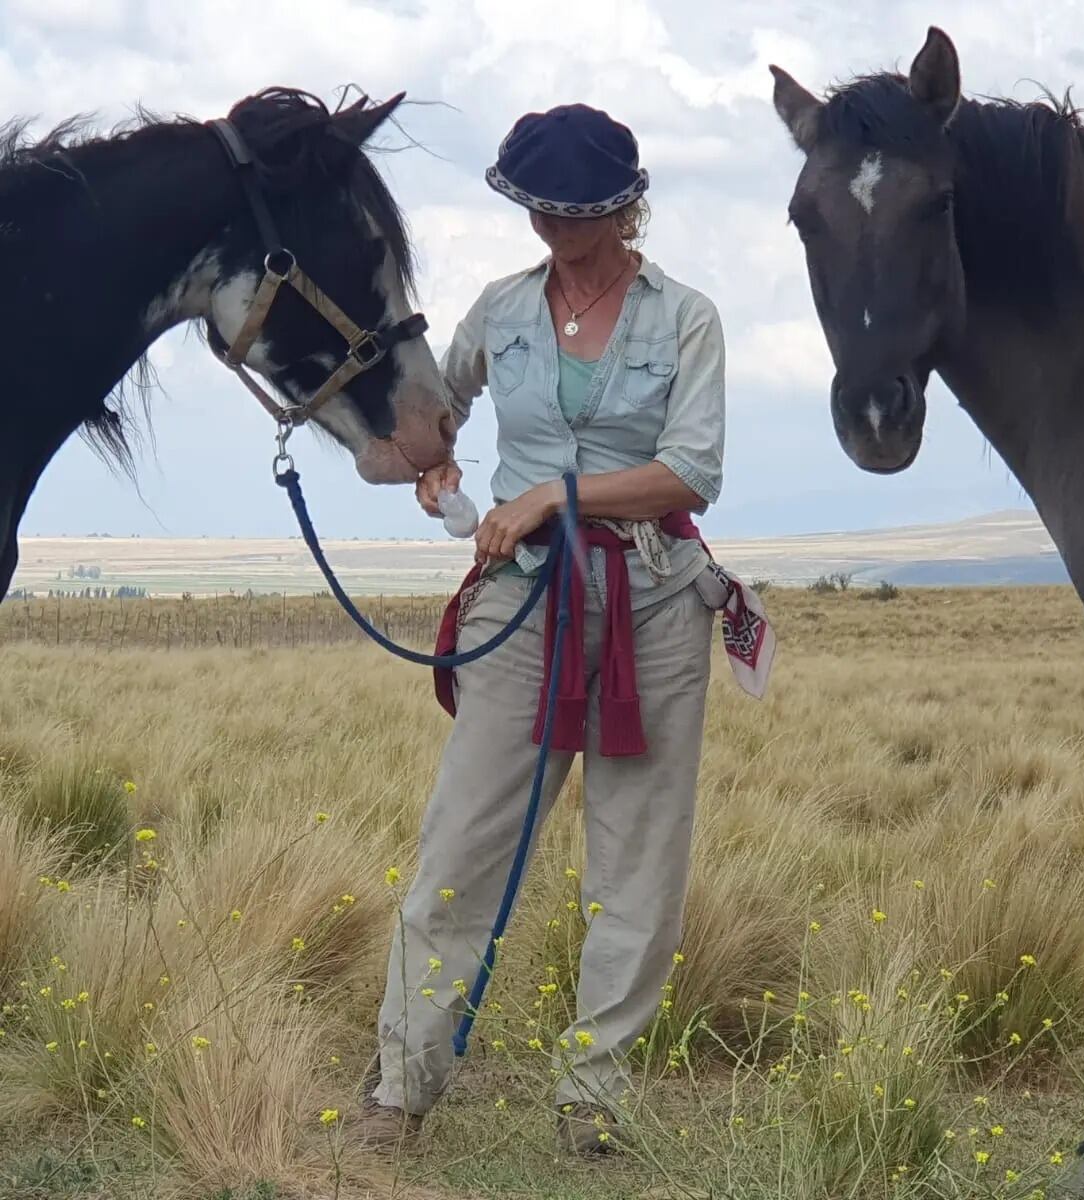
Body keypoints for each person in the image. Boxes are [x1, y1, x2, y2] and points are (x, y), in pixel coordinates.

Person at [360, 101, 772, 1156]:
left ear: (625, 206)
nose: (555, 227)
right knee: (463, 838)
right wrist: (429, 461)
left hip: (656, 597)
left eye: (578, 210)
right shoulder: (499, 309)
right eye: (539, 207)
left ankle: (594, 1099)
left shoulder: (688, 318)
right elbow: (414, 427)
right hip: (524, 603)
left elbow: (693, 473)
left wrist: (551, 495)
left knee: (637, 856)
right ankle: (399, 1090)